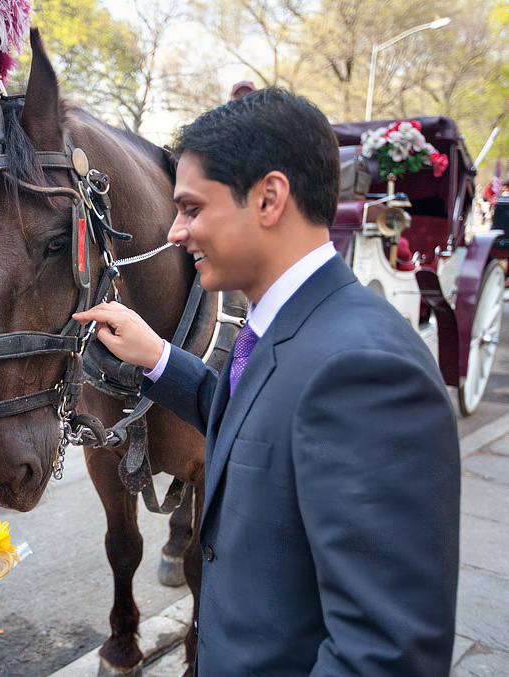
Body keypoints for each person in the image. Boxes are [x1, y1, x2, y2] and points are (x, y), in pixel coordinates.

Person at [74, 88, 460, 676]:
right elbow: (254, 420)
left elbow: (385, 654)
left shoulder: (368, 373)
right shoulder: (286, 324)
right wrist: (156, 358)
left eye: (192, 208)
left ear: (269, 199)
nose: (176, 232)